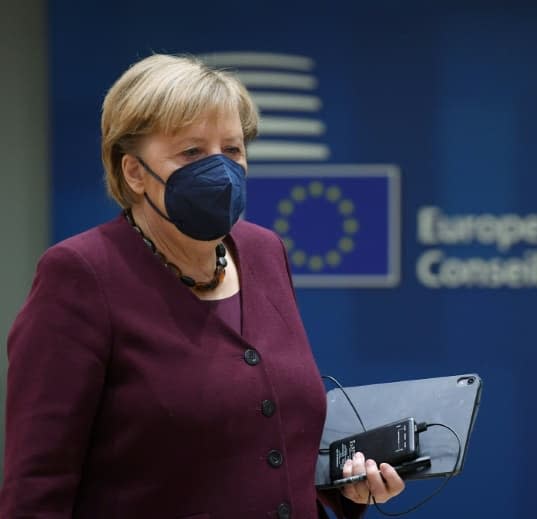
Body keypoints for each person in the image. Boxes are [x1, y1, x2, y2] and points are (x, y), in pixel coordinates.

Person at [0, 54, 404, 518]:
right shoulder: (81, 274)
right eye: (191, 152)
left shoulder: (264, 252)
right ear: (134, 172)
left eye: (232, 150)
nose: (220, 170)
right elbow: (37, 487)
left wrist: (342, 488)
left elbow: (269, 439)